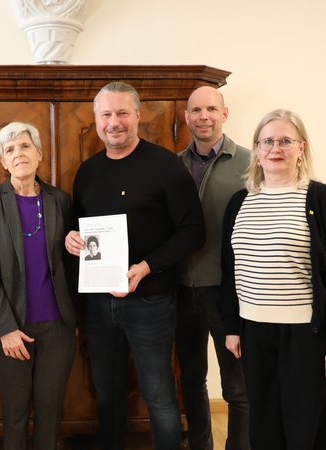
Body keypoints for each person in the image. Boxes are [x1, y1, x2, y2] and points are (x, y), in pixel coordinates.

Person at [65, 81, 205, 450]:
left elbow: (193, 231)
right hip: (98, 302)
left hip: (151, 300)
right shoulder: (87, 171)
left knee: (159, 396)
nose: (115, 122)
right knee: (107, 395)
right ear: (96, 120)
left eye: (122, 113)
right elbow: (76, 227)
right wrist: (70, 239)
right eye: (106, 114)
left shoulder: (166, 166)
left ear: (138, 116)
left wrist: (145, 267)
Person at [221, 109, 326, 450]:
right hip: (254, 327)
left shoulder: (319, 198)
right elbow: (229, 267)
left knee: (304, 419)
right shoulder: (240, 202)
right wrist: (232, 327)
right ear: (257, 148)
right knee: (264, 419)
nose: (275, 148)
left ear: (301, 148)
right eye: (267, 141)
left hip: (304, 331)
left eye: (285, 141)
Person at [0, 122, 77, 450]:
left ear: (40, 154)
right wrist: (5, 328)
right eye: (11, 149)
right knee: (15, 413)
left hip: (57, 326)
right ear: (3, 161)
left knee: (50, 411)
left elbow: (73, 263)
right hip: (10, 327)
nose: (19, 154)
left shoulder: (61, 201)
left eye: (26, 146)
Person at [176, 86, 250, 450]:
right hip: (181, 290)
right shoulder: (173, 165)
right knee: (191, 380)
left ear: (225, 114)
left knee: (237, 387)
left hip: (228, 292)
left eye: (210, 109)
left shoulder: (251, 163)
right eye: (195, 110)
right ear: (186, 117)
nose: (203, 116)